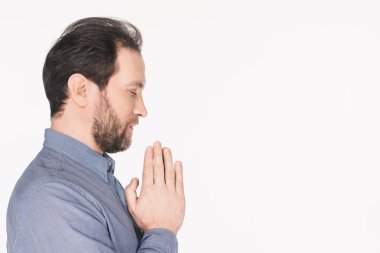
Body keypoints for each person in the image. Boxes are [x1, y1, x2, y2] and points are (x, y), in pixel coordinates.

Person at [6, 17, 185, 253]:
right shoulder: (49, 198)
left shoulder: (92, 181)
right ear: (81, 90)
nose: (142, 109)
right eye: (132, 91)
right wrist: (160, 230)